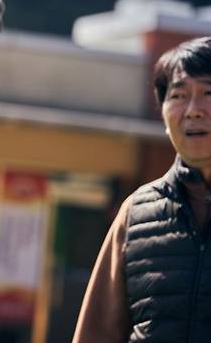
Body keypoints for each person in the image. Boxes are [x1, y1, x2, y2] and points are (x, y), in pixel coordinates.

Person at [72, 37, 211, 343]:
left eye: (208, 93)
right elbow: (97, 335)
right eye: (178, 95)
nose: (193, 110)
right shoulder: (136, 213)